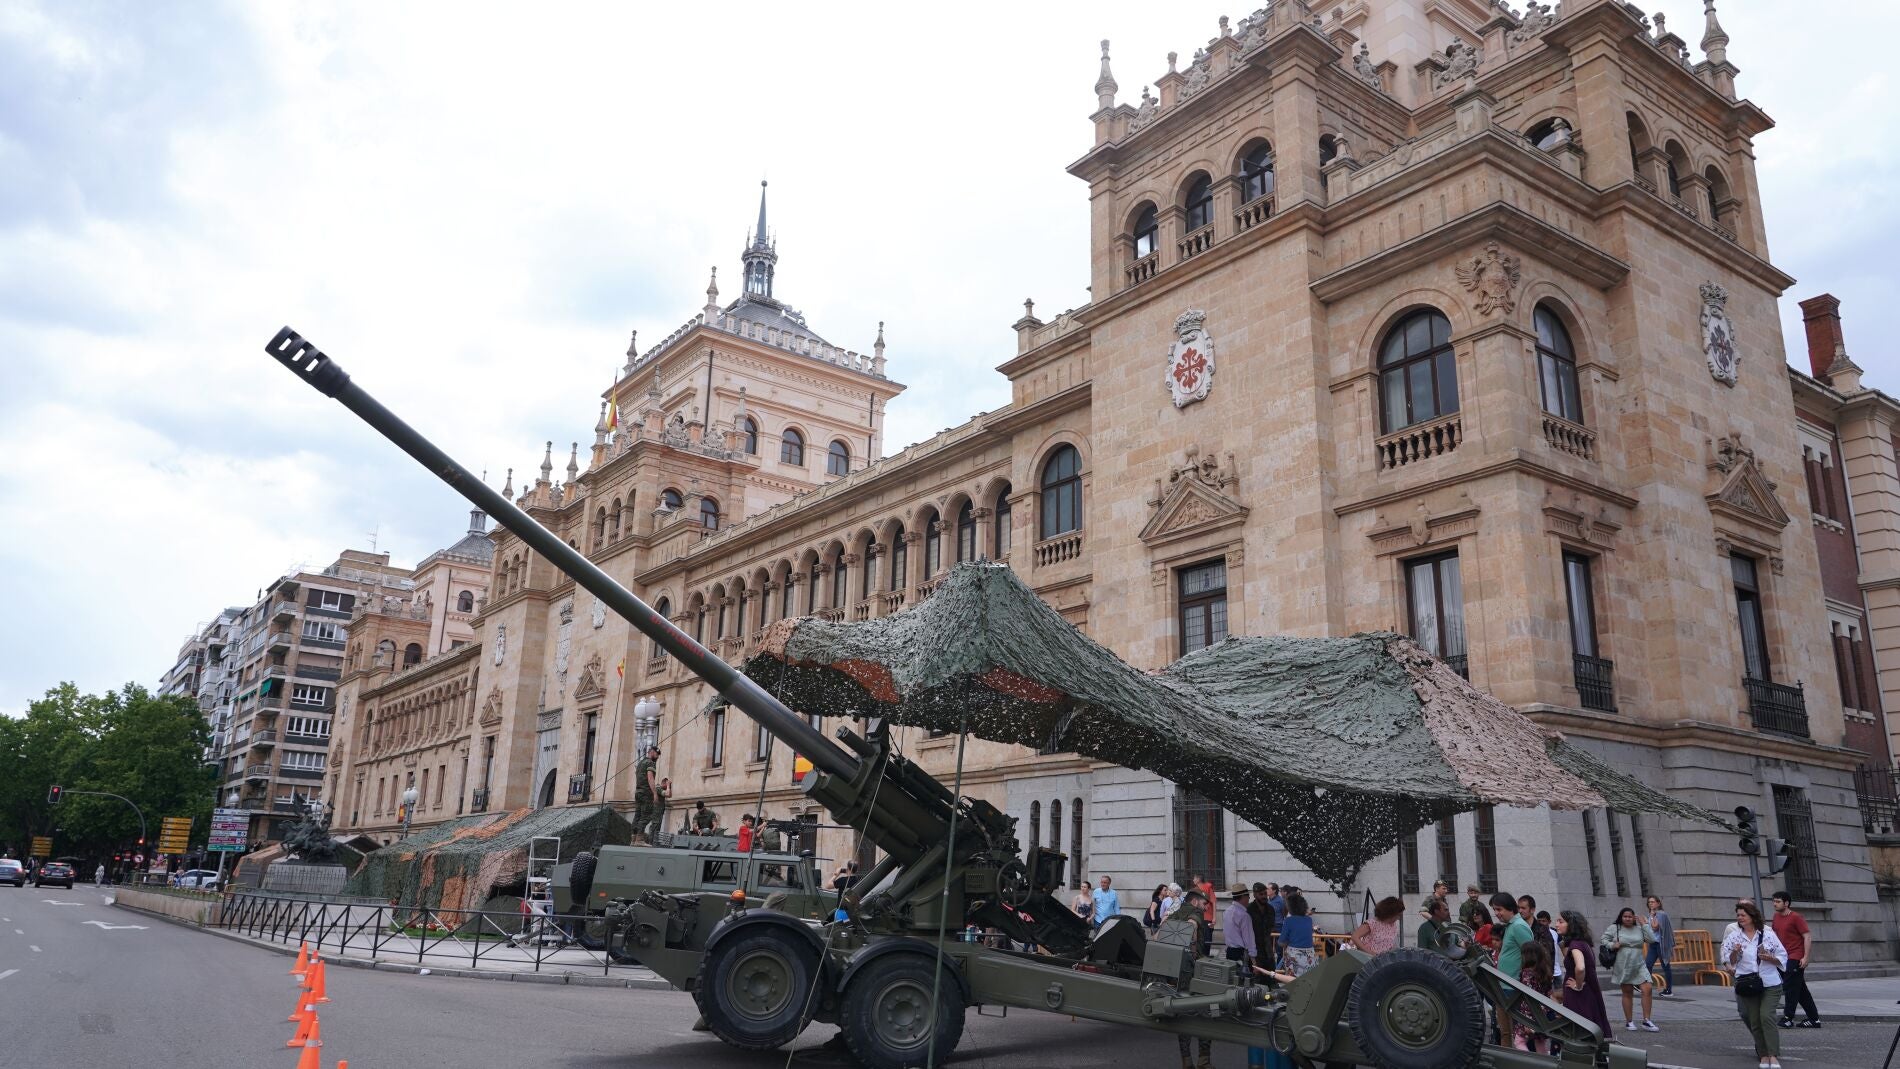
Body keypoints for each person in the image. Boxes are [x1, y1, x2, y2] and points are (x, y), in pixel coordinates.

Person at [1154, 886, 1216, 1069]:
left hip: (1178, 975)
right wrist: (1192, 948)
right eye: (1205, 904)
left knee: (1183, 1015)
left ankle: (1186, 1060)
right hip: (1196, 973)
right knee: (1206, 1013)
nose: (1205, 908)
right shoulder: (1194, 912)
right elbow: (1192, 925)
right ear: (1195, 901)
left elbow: (1157, 936)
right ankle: (1204, 1060)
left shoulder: (1175, 912)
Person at [1722, 899, 1787, 1069]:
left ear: (1752, 916)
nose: (1740, 918)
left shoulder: (1767, 933)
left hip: (1770, 982)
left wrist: (1769, 958)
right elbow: (1729, 961)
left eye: (1743, 915)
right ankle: (1763, 1055)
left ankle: (1773, 1055)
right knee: (1755, 1021)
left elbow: (1782, 955)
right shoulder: (1734, 936)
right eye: (1738, 915)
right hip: (1747, 983)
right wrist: (1735, 952)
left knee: (1766, 1016)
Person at [1556, 910, 1615, 1041]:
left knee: (1579, 1034)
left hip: (1578, 995)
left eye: (1560, 921)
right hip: (1586, 993)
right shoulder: (1583, 943)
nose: (1557, 924)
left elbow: (1580, 967)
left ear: (1571, 925)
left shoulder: (1576, 945)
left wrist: (1577, 985)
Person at [1601, 906, 1659, 1032]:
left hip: (1639, 963)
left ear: (1634, 917)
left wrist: (1645, 924)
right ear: (1621, 918)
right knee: (1627, 992)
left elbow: (1652, 939)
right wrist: (1612, 945)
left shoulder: (1639, 928)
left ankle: (1647, 1020)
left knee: (1647, 988)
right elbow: (1604, 940)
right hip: (1623, 963)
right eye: (1625, 916)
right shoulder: (1614, 928)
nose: (1627, 919)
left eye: (1630, 916)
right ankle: (1629, 1021)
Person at [1769, 891, 1819, 1028]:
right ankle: (1814, 1019)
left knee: (1790, 987)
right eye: (1774, 901)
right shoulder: (1776, 917)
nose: (1775, 904)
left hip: (1795, 957)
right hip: (1783, 957)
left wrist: (1806, 957)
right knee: (1801, 990)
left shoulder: (1796, 917)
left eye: (1778, 901)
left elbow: (1807, 936)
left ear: (1786, 903)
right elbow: (1773, 937)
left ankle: (1788, 1018)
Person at [1513, 935, 1556, 1052]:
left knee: (1519, 1041)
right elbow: (1548, 994)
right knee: (1540, 1042)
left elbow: (1528, 999)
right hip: (1543, 1014)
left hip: (1531, 1015)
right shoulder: (1544, 972)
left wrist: (1527, 1021)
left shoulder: (1527, 973)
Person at [1279, 892, 1318, 977]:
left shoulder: (1288, 921)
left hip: (1294, 956)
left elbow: (1281, 942)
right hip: (1310, 955)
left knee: (1293, 983)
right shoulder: (1309, 920)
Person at [1645, 895, 1675, 996]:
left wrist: (1653, 916)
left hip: (1661, 944)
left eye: (1653, 902)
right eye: (1649, 902)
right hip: (1653, 944)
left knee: (1666, 966)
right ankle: (1645, 986)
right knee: (1648, 964)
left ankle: (1668, 990)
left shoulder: (1661, 914)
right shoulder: (1651, 914)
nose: (1651, 904)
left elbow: (1655, 927)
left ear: (1658, 903)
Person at [632, 744, 663, 840]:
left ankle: (633, 837)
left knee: (637, 815)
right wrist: (654, 793)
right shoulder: (650, 763)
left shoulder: (641, 762)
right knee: (647, 815)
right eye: (657, 755)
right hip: (646, 793)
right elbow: (650, 778)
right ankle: (639, 838)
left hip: (638, 792)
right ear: (652, 752)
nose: (657, 757)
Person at [1223, 884, 1257, 966]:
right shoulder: (1244, 916)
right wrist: (1254, 962)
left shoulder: (1226, 911)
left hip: (1229, 952)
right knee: (1243, 978)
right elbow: (1249, 940)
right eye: (1248, 896)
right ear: (1243, 897)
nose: (1249, 898)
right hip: (1240, 954)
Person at [1247, 883, 1278, 962]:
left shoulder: (1271, 909)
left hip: (1268, 952)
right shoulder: (1249, 910)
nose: (1264, 896)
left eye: (1265, 894)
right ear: (1254, 895)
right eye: (1261, 894)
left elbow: (1272, 927)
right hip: (1254, 953)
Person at [1195, 873, 1217, 955]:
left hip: (1208, 918)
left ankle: (1206, 956)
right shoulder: (1195, 889)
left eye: (1194, 878)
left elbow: (1214, 902)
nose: (1193, 880)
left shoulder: (1208, 887)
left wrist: (1214, 917)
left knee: (1207, 939)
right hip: (1198, 918)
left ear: (1198, 879)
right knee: (1199, 939)